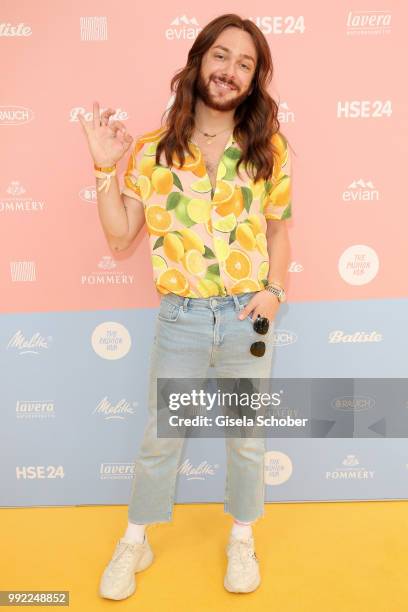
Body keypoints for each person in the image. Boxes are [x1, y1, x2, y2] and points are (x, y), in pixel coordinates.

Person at [79, 12, 293, 599]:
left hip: (248, 316)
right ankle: (135, 539)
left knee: (247, 435)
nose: (230, 71)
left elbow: (278, 230)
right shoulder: (151, 153)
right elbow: (121, 236)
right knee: (161, 438)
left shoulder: (267, 149)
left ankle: (242, 537)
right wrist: (104, 166)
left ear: (253, 81)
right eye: (222, 56)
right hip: (182, 318)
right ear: (200, 60)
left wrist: (274, 292)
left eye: (245, 64)